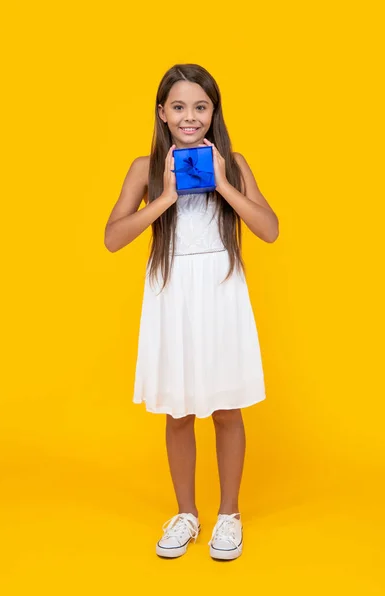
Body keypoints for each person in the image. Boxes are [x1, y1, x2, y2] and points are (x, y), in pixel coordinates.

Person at [104, 64, 279, 561]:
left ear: (213, 112)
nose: (190, 116)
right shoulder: (145, 166)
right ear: (162, 113)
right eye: (178, 107)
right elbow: (113, 239)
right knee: (179, 411)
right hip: (173, 292)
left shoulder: (234, 162)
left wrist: (223, 183)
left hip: (221, 291)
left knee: (226, 408)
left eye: (200, 106)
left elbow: (269, 229)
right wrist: (166, 196)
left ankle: (229, 514)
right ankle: (186, 513)